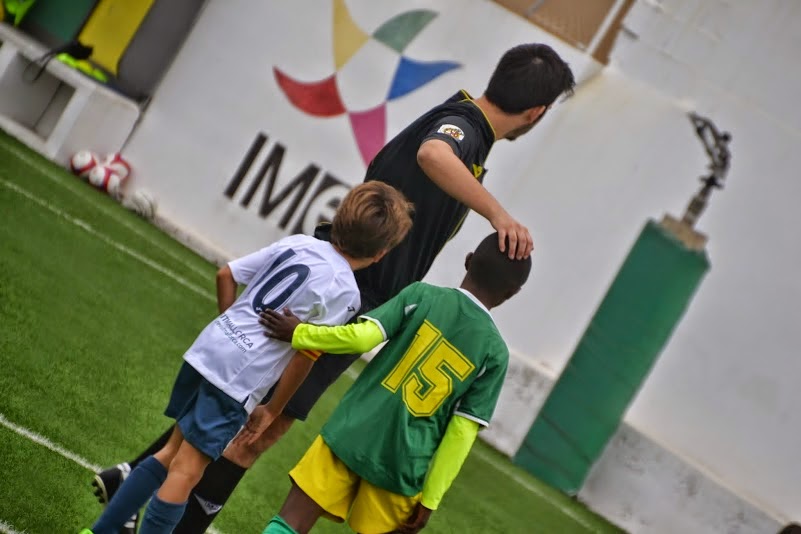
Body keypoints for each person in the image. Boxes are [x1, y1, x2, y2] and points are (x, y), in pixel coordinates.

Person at [90, 42, 576, 533]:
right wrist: (498, 215)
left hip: (344, 279)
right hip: (350, 292)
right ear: (536, 112)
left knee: (239, 408)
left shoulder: (468, 128)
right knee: (257, 428)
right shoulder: (464, 127)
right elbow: (433, 154)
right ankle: (154, 508)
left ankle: (132, 480)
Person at [82, 182, 413, 534]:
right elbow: (307, 353)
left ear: (338, 218)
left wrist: (228, 325)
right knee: (187, 470)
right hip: (238, 377)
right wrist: (272, 409)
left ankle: (99, 531)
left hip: (209, 350)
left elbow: (226, 274)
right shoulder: (345, 292)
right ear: (381, 254)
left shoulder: (298, 243)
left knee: (169, 453)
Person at [258, 232, 531, 534]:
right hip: (404, 464)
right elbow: (461, 433)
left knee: (291, 522)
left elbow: (362, 338)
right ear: (512, 293)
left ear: (468, 261)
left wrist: (300, 332)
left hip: (352, 431)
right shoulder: (495, 353)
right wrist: (431, 498)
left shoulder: (422, 295)